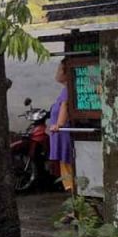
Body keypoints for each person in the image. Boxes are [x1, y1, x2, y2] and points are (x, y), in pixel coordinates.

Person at [48, 60, 75, 193]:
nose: (57, 73)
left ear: (65, 73)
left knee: (69, 173)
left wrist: (58, 125)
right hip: (61, 136)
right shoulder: (65, 89)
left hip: (64, 136)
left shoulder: (68, 89)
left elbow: (65, 107)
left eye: (59, 69)